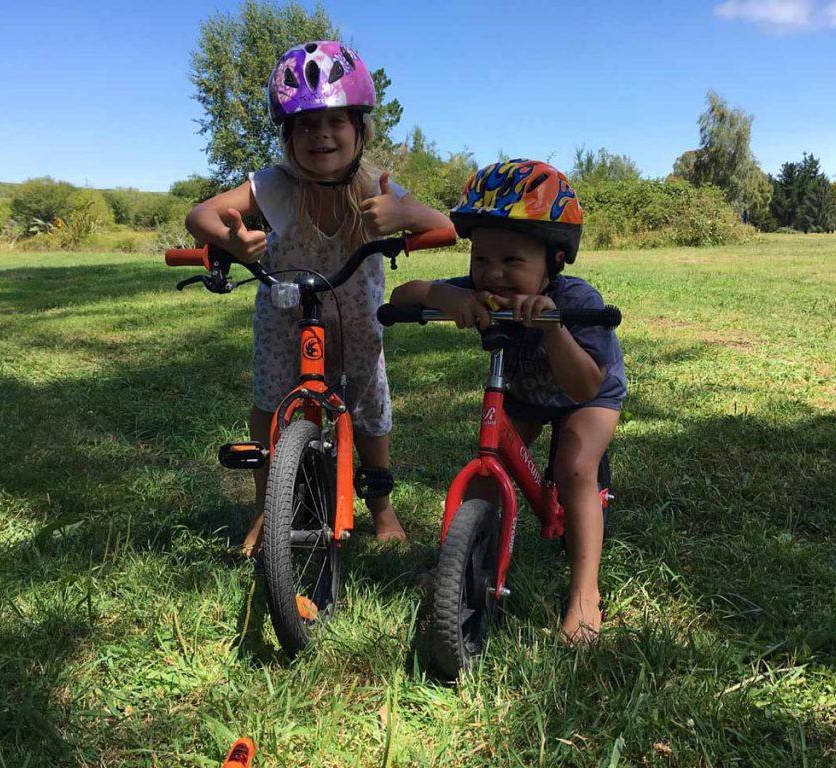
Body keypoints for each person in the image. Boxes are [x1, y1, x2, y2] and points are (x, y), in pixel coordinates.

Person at [185, 41, 451, 550]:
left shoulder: (376, 184)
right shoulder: (276, 186)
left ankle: (381, 508)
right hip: (285, 323)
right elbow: (200, 214)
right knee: (268, 407)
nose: (321, 135)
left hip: (356, 329)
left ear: (359, 128)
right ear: (288, 136)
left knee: (370, 415)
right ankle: (266, 510)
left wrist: (403, 216)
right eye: (305, 125)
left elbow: (443, 225)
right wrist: (232, 242)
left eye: (334, 122)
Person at [389, 159, 626, 644]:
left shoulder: (579, 301)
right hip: (524, 391)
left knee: (575, 466)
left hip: (587, 392)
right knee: (488, 462)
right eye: (481, 259)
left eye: (513, 262)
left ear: (554, 261)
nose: (493, 275)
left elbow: (584, 385)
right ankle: (458, 566)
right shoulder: (479, 289)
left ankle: (585, 593)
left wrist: (553, 327)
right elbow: (402, 293)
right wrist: (443, 295)